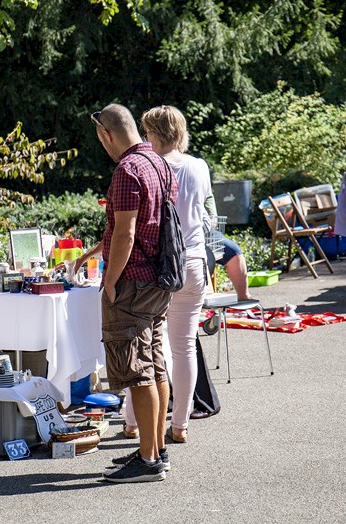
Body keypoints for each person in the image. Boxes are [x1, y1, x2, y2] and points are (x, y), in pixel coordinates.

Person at [75, 103, 175, 483]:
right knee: (154, 364)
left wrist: (111, 279)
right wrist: (99, 250)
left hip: (132, 282)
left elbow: (128, 232)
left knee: (137, 372)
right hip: (160, 280)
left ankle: (148, 461)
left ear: (105, 134)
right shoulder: (159, 163)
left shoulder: (126, 170)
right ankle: (155, 449)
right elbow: (151, 222)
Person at [118, 105, 211, 446]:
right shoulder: (199, 167)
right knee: (184, 347)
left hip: (158, 265)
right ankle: (180, 425)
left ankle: (132, 422)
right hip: (194, 261)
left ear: (152, 134)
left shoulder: (149, 166)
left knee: (144, 345)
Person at [205, 194, 253, 300]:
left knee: (234, 253)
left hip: (209, 232)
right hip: (189, 231)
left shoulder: (203, 179)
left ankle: (243, 297)